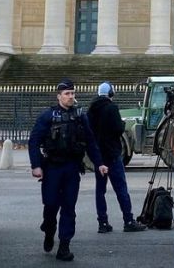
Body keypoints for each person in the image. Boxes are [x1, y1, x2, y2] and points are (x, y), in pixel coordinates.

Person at [29, 80, 108, 261]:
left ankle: (64, 246)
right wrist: (36, 166)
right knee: (50, 205)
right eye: (67, 94)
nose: (71, 97)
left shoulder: (80, 116)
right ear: (59, 96)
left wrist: (99, 163)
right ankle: (49, 230)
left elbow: (90, 142)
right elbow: (34, 141)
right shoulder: (47, 116)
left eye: (73, 93)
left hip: (72, 168)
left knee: (69, 207)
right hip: (52, 168)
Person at [86, 82, 146, 234]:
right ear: (111, 93)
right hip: (112, 154)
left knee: (100, 191)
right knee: (121, 189)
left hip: (99, 157)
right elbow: (119, 129)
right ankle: (128, 220)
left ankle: (103, 223)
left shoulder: (91, 109)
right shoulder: (111, 108)